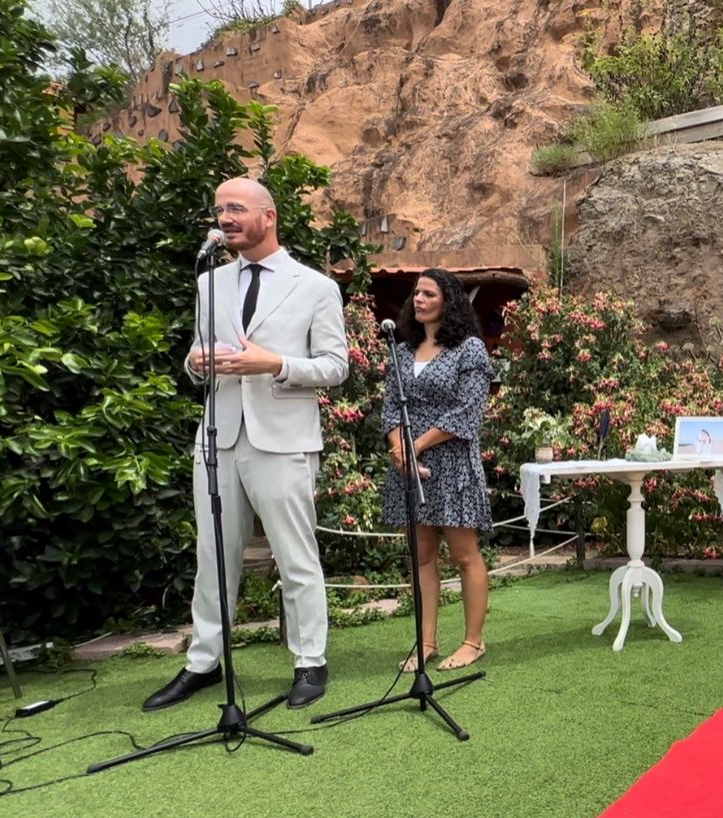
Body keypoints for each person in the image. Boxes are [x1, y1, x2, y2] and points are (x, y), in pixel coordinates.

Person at [145, 177, 348, 712]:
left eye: (236, 208)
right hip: (217, 435)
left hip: (282, 438)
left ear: (269, 216)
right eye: (219, 209)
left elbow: (335, 367)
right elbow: (197, 350)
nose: (225, 218)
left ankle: (310, 660)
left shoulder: (315, 287)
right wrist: (194, 362)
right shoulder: (209, 282)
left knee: (294, 555)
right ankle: (204, 661)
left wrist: (275, 363)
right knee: (212, 555)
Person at [383, 268, 494, 671]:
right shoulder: (400, 352)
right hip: (408, 466)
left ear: (449, 301)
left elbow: (467, 412)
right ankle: (426, 641)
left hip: (452, 462)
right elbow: (390, 409)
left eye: (429, 293)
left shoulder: (469, 351)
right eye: (417, 293)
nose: (419, 299)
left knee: (464, 554)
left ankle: (472, 642)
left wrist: (416, 446)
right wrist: (400, 450)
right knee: (422, 556)